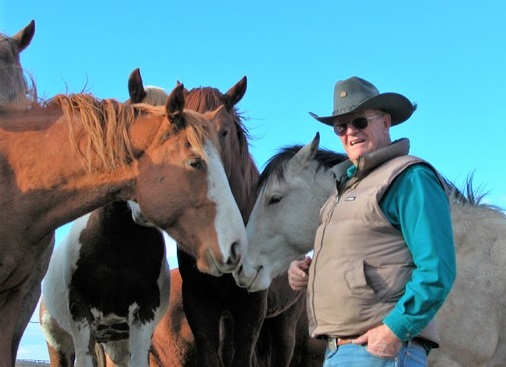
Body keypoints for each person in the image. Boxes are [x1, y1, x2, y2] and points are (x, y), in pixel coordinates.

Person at [288, 76, 456, 366]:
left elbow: (438, 267)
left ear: (386, 123)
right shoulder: (342, 191)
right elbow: (361, 265)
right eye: (341, 127)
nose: (350, 132)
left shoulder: (409, 178)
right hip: (339, 351)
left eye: (360, 122)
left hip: (381, 352)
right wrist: (309, 272)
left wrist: (394, 330)